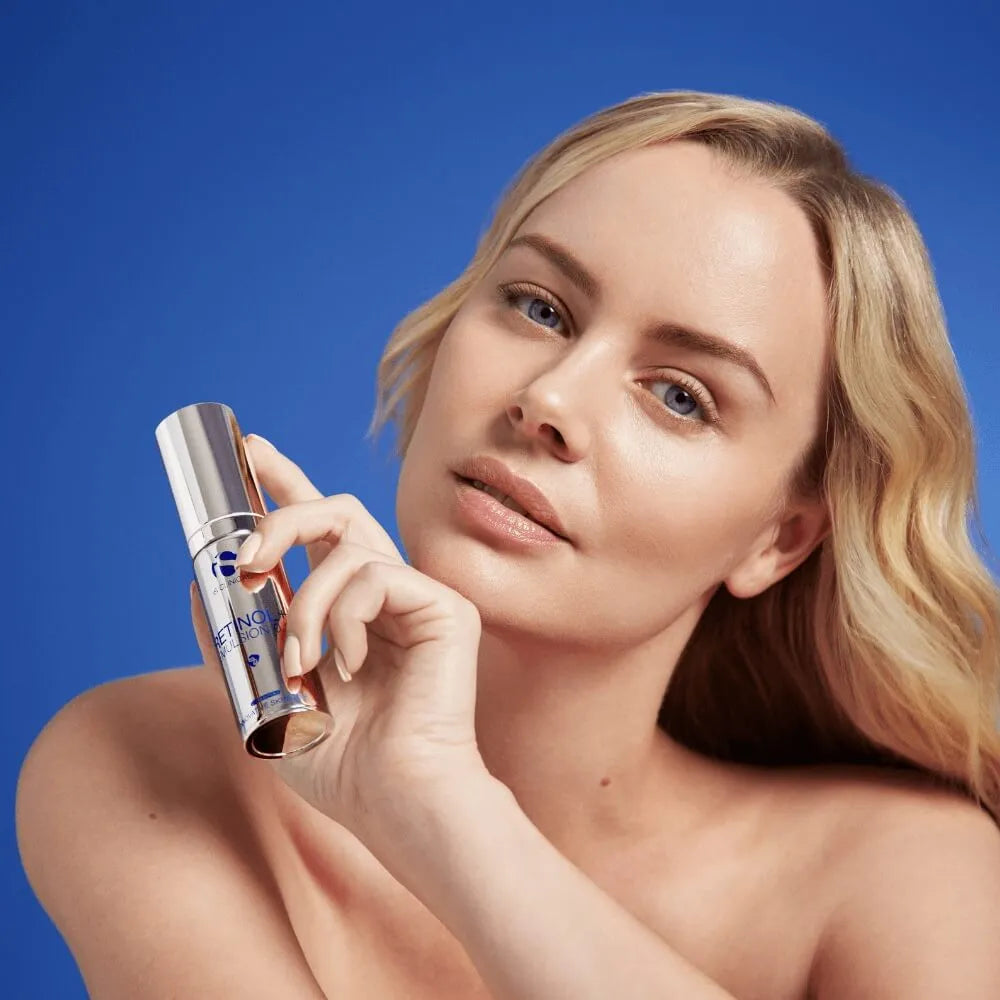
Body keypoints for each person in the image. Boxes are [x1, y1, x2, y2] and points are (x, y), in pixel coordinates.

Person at [16, 90, 1000, 999]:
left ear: (779, 540)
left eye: (679, 395)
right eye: (539, 307)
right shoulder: (151, 758)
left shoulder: (911, 878)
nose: (550, 400)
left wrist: (444, 811)